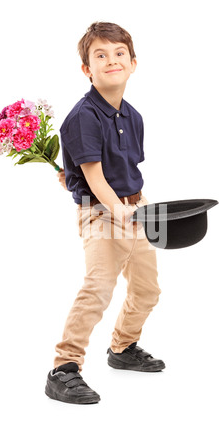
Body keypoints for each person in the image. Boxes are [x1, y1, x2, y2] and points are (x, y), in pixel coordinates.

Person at [45, 22, 165, 405]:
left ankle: (123, 347)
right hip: (100, 212)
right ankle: (64, 368)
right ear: (87, 69)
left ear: (133, 63)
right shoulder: (83, 116)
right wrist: (119, 213)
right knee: (98, 288)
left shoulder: (134, 116)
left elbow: (124, 168)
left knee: (148, 290)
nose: (111, 61)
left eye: (119, 54)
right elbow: (96, 181)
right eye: (100, 55)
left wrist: (140, 210)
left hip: (136, 204)